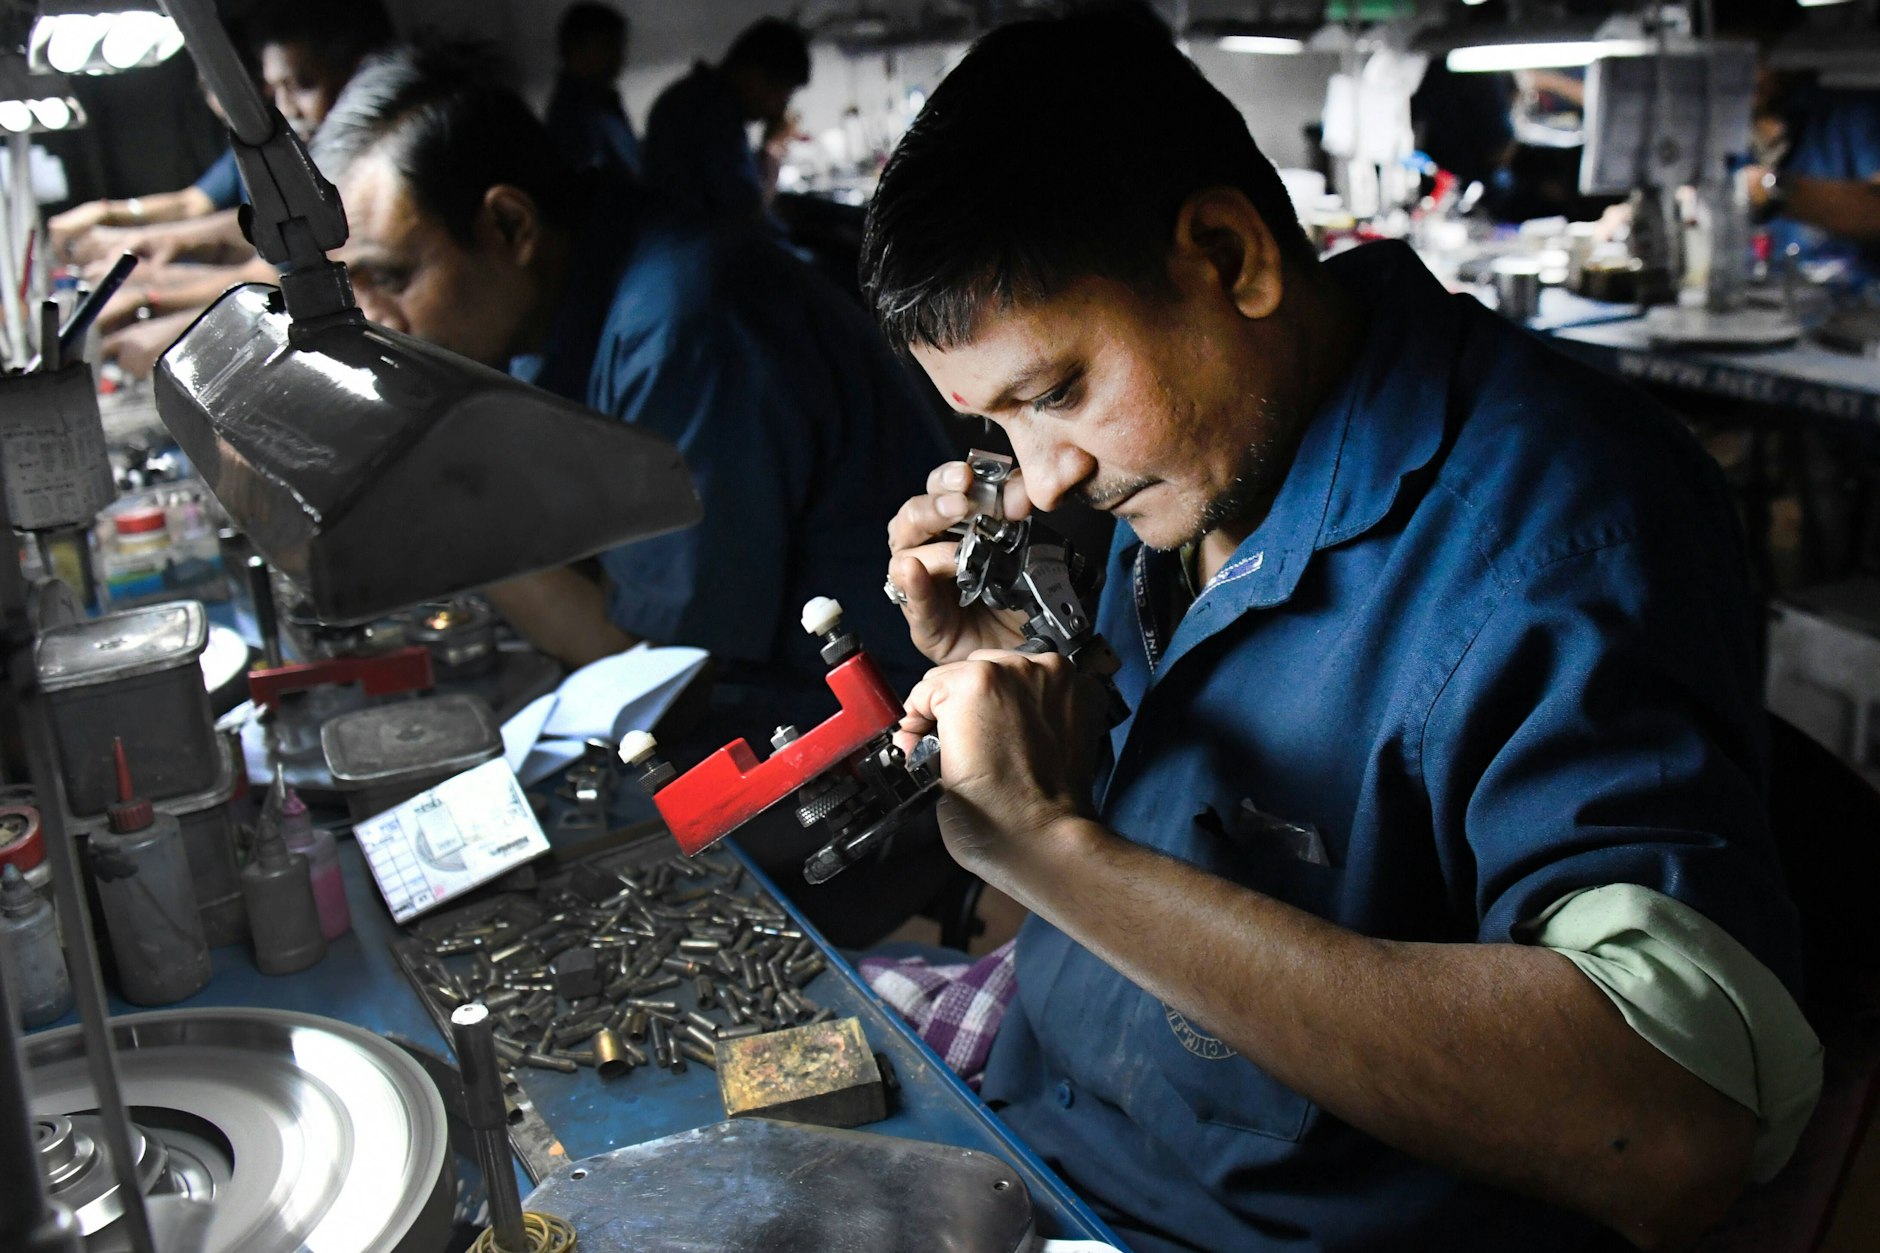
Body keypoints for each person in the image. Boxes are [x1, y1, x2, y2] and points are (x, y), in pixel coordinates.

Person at [863, 15, 1822, 1253]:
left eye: (1053, 392)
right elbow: (1175, 837)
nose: (1041, 478)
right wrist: (1044, 674)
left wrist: (1049, 850)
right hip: (1051, 1132)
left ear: (1229, 256)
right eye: (996, 426)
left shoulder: (1560, 528)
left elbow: (1671, 1122)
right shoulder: (1206, 451)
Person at [311, 47, 956, 943]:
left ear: (508, 224)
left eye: (391, 277)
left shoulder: (680, 322)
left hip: (874, 758)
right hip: (764, 693)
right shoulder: (559, 298)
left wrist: (430, 497)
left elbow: (648, 667)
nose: (376, 319)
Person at [641, 17, 809, 227]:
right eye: (781, 94)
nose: (780, 108)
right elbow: (748, 213)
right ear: (754, 77)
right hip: (696, 239)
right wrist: (773, 149)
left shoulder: (697, 96)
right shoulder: (710, 114)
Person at [544, 2, 641, 179]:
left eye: (618, 47)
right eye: (607, 46)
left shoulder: (603, 103)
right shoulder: (571, 116)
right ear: (576, 49)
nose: (618, 57)